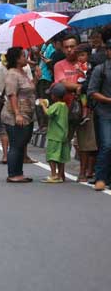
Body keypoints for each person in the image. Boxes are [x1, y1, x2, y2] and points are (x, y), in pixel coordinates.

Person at [54, 34, 98, 182]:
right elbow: (62, 83)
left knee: (85, 142)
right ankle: (60, 173)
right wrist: (81, 87)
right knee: (63, 140)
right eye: (66, 47)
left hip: (85, 107)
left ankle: (83, 173)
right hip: (65, 107)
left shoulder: (88, 63)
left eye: (72, 46)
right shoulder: (59, 65)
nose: (69, 50)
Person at [1, 47, 37, 183]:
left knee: (22, 142)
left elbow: (29, 89)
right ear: (16, 59)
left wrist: (37, 78)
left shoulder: (23, 72)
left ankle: (19, 172)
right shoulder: (12, 74)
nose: (26, 58)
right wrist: (17, 114)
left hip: (28, 112)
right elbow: (12, 94)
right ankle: (13, 173)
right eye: (23, 56)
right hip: (15, 113)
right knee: (16, 143)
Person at [87, 39, 111, 191]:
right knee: (107, 145)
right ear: (107, 51)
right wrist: (108, 100)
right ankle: (101, 177)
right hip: (104, 112)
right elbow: (92, 92)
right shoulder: (100, 70)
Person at [40, 83, 70, 183]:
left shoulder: (56, 105)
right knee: (61, 156)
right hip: (63, 135)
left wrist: (43, 105)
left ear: (54, 96)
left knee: (51, 156)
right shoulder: (64, 105)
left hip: (55, 135)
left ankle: (54, 175)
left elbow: (48, 113)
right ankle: (61, 174)